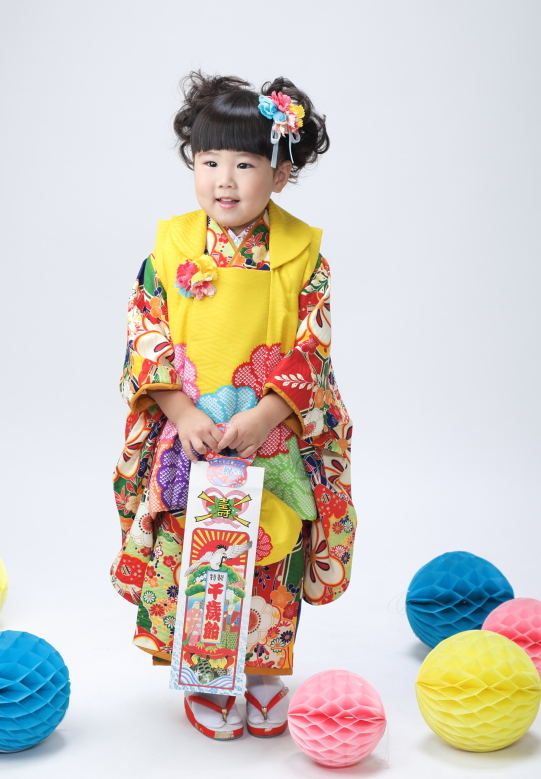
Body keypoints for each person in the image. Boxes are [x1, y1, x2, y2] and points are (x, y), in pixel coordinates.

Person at [111, 72, 357, 740]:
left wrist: (267, 416)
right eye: (209, 161)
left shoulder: (304, 256)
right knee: (197, 548)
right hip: (190, 431)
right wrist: (181, 413)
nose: (224, 180)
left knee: (272, 546)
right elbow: (145, 335)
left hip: (269, 432)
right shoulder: (170, 249)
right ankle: (205, 672)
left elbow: (312, 347)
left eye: (244, 164)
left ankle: (267, 667)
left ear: (281, 173)